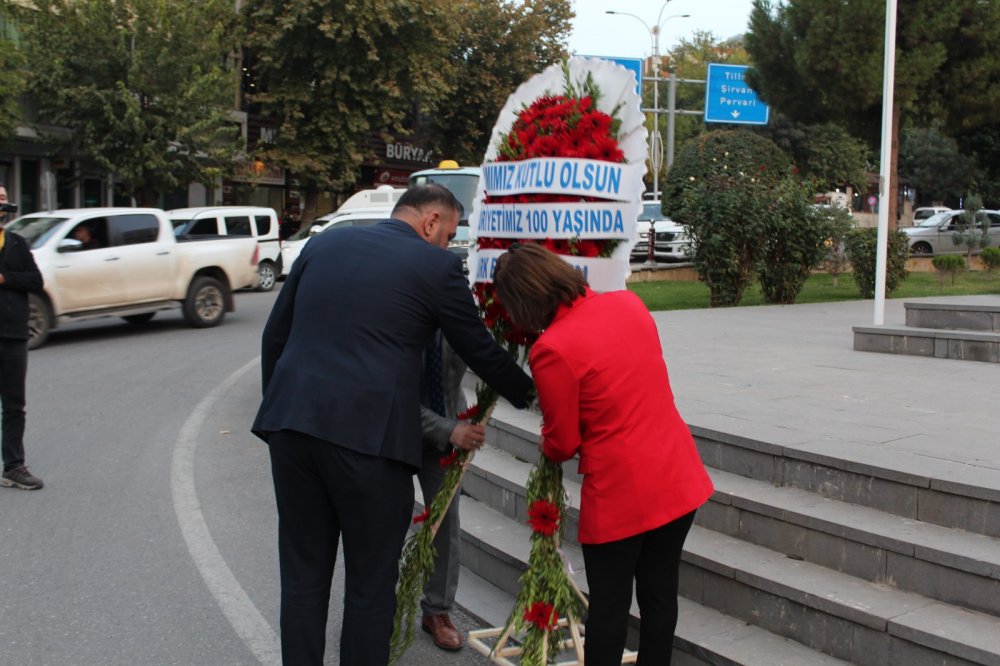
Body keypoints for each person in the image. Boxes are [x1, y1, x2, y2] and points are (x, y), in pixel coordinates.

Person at [251, 184, 534, 666]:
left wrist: (281, 411)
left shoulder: (326, 243)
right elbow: (478, 350)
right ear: (430, 223)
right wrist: (532, 391)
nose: (447, 244)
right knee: (369, 585)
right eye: (447, 234)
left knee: (302, 578)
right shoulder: (436, 266)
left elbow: (275, 335)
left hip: (291, 430)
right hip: (369, 446)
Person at [492, 243, 714, 666]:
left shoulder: (552, 348)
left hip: (622, 492)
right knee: (659, 597)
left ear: (524, 302)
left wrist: (546, 442)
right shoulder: (628, 303)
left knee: (610, 609)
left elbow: (562, 443)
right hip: (676, 474)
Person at [417, 332, 482, 651]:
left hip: (446, 433)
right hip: (391, 430)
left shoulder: (454, 301)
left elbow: (485, 355)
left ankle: (437, 610)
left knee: (445, 522)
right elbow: (388, 394)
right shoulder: (394, 302)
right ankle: (377, 605)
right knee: (382, 523)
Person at [0, 184, 45, 491]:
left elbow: (36, 280)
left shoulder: (17, 242)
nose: (3, 204)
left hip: (13, 334)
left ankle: (13, 466)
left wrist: (5, 278)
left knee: (15, 404)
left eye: (3, 198)